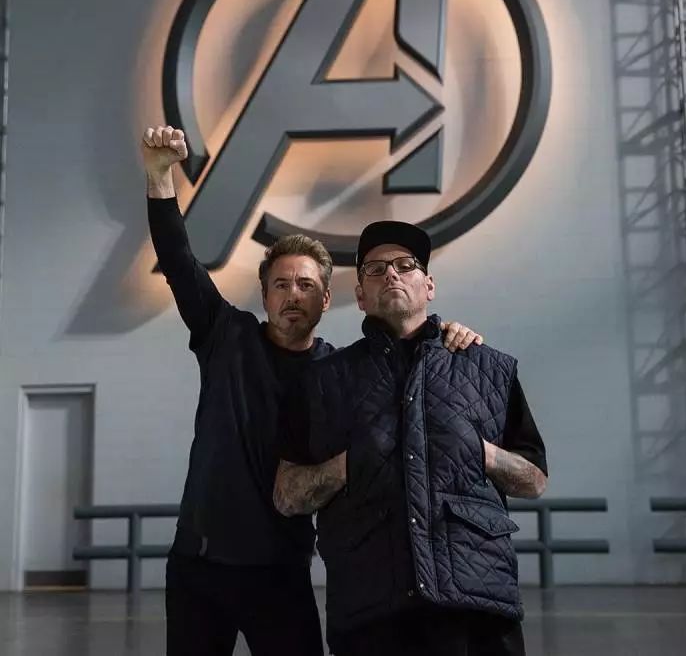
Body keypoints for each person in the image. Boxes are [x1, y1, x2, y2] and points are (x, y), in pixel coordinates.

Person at [142, 126, 484, 656]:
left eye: (306, 286)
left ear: (325, 300)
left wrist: (450, 337)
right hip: (199, 568)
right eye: (281, 284)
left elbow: (406, 371)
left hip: (281, 573)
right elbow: (178, 259)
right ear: (264, 295)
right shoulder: (226, 337)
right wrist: (160, 175)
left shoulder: (340, 372)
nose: (292, 296)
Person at [274, 220, 548, 656]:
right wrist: (347, 466)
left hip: (477, 614)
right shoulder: (322, 382)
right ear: (360, 295)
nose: (392, 274)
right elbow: (287, 496)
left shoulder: (488, 369)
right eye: (375, 269)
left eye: (405, 265)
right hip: (371, 613)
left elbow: (535, 480)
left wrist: (480, 453)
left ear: (429, 285)